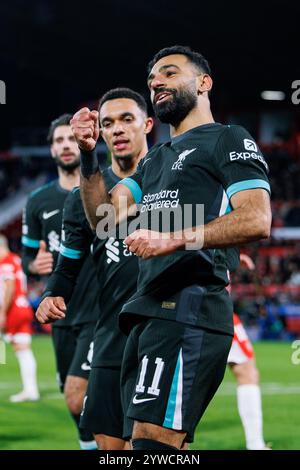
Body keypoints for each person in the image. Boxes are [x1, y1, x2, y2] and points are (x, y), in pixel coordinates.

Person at [72, 45, 272, 450]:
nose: (156, 82)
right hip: (146, 313)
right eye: (151, 79)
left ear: (203, 82)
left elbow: (256, 218)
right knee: (147, 447)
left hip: (190, 309)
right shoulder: (155, 159)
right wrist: (89, 158)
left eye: (169, 73)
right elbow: (102, 218)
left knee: (152, 445)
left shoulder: (227, 138)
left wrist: (176, 237)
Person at [36, 88, 153, 450]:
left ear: (148, 124)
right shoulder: (80, 199)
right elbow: (68, 265)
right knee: (109, 448)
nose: (117, 129)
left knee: (150, 447)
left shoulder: (172, 182)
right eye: (108, 123)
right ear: (99, 133)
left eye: (126, 119)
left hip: (158, 332)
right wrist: (52, 293)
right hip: (109, 334)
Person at [22, 114, 98, 450]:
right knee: (72, 399)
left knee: (77, 394)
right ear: (51, 149)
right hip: (62, 315)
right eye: (58, 141)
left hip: (100, 312)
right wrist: (33, 265)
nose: (66, 145)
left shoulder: (102, 192)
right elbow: (27, 259)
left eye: (71, 138)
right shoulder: (38, 202)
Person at [227, 253, 270, 450]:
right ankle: (255, 445)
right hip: (213, 307)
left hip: (192, 304)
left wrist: (232, 257)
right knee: (247, 373)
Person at [0, 234, 39, 402]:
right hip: (23, 306)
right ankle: (31, 389)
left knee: (16, 348)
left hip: (12, 310)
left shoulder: (6, 262)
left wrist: (2, 312)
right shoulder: (16, 259)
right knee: (23, 350)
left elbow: (9, 287)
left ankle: (30, 390)